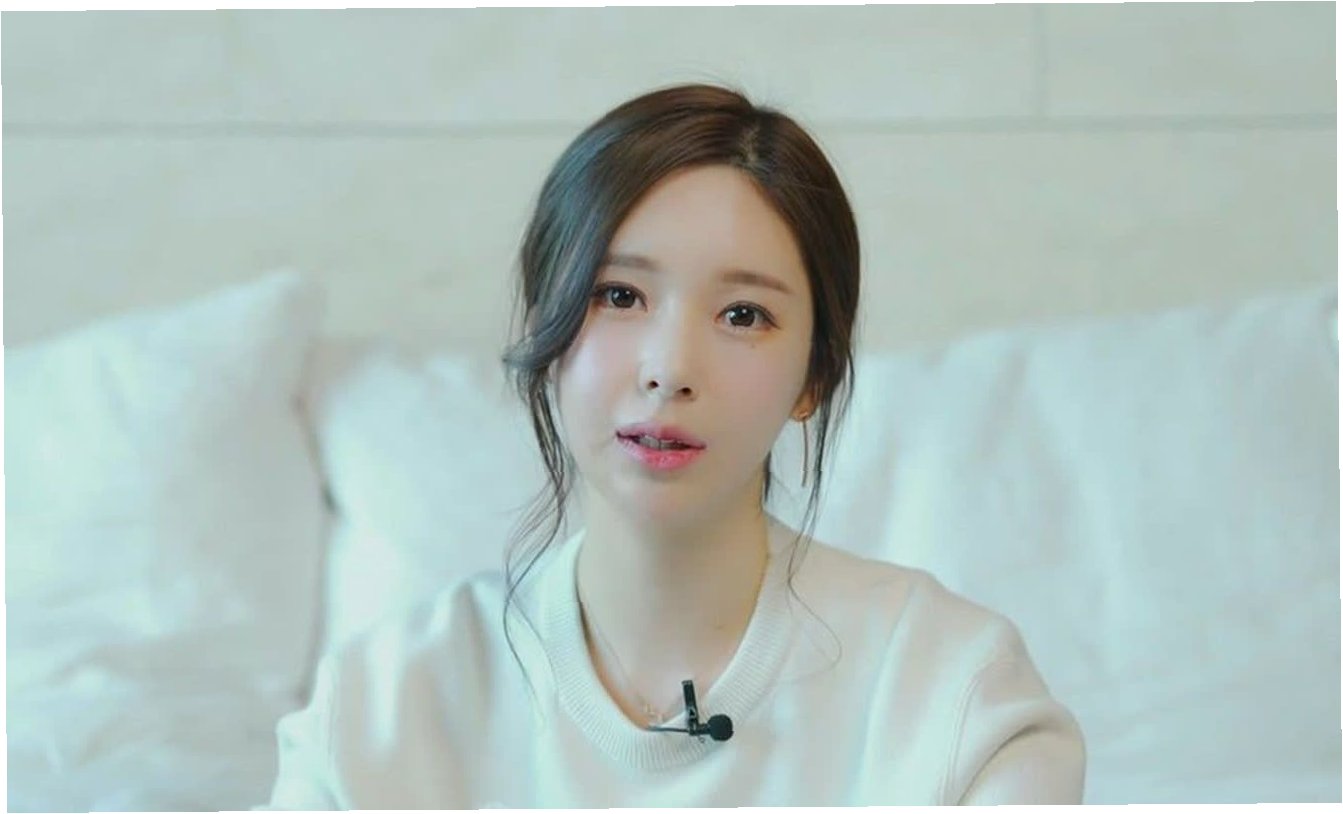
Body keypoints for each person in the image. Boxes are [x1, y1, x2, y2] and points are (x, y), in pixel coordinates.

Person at [261, 83, 1086, 808]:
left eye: (742, 315)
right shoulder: (376, 712)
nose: (669, 369)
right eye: (618, 296)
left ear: (814, 375)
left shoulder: (957, 695)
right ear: (545, 332)